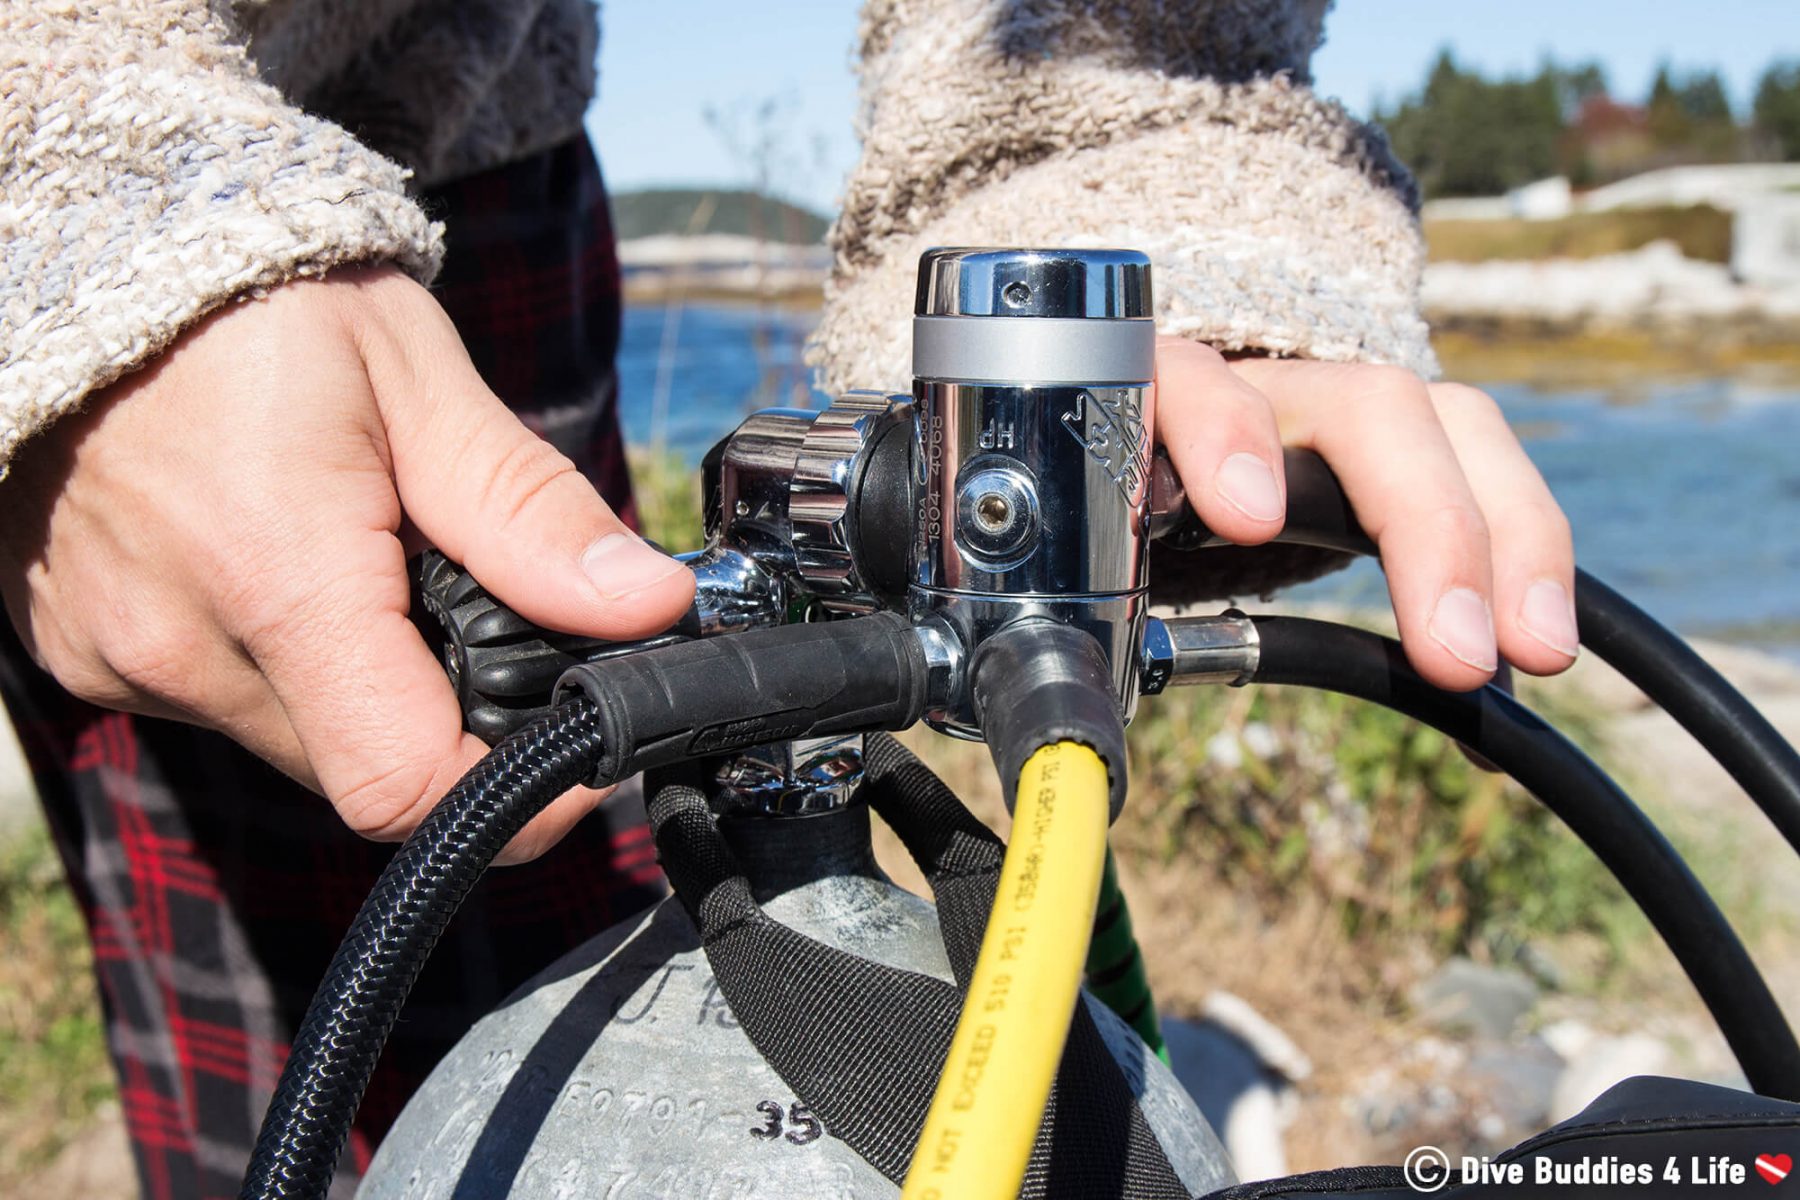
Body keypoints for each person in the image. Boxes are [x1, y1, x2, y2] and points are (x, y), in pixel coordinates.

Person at [0, 1, 1582, 1195]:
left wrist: (1143, 216)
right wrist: (84, 224)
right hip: (187, 257)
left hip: (449, 137)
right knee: (311, 1087)